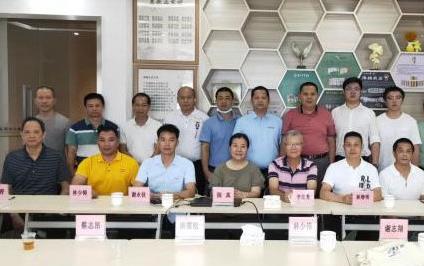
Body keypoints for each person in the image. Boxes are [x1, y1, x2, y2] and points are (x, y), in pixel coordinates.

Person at [1, 117, 70, 232]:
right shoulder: (12, 158)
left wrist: (57, 211)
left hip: (49, 212)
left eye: (36, 132)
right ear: (22, 135)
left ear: (44, 135)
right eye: (27, 132)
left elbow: (66, 188)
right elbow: (5, 190)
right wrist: (14, 215)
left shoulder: (56, 157)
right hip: (19, 212)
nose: (31, 136)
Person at [282, 82, 335, 192]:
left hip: (322, 162)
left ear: (317, 95)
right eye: (305, 94)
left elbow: (331, 140)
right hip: (298, 162)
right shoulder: (290, 115)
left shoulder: (326, 114)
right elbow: (284, 141)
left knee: (321, 196)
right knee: (300, 195)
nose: (309, 97)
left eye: (312, 94)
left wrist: (331, 164)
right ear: (300, 96)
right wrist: (283, 164)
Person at [71, 124, 139, 196]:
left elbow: (138, 190)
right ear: (97, 142)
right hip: (93, 205)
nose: (106, 144)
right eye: (102, 140)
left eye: (111, 140)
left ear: (118, 142)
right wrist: (88, 193)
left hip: (121, 205)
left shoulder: (131, 163)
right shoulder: (87, 162)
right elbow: (75, 187)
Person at [164, 86, 208, 195]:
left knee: (195, 196)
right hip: (173, 164)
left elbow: (207, 145)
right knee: (174, 194)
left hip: (196, 165)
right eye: (182, 98)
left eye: (189, 97)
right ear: (177, 100)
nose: (185, 101)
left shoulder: (204, 118)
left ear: (195, 99)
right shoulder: (169, 118)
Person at [133, 124, 196, 200]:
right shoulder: (147, 163)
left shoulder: (187, 164)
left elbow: (191, 191)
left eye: (171, 140)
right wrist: (152, 195)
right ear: (158, 142)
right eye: (163, 140)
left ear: (177, 143)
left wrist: (170, 196)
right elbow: (136, 188)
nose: (167, 144)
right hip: (152, 207)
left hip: (178, 206)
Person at [233, 86, 282, 179]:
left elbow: (282, 146)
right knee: (249, 194)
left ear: (268, 100)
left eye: (263, 98)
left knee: (272, 193)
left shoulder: (278, 121)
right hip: (247, 171)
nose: (260, 100)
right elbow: (235, 146)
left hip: (273, 171)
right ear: (251, 100)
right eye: (256, 98)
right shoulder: (242, 121)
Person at [320, 131, 382, 204]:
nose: (352, 148)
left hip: (365, 211)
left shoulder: (371, 169)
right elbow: (323, 192)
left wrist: (356, 198)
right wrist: (343, 199)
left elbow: (378, 194)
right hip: (340, 211)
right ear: (343, 147)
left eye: (356, 145)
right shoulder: (333, 167)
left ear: (362, 147)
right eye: (348, 145)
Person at [66, 93, 119, 175]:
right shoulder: (75, 129)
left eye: (97, 106)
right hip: (82, 172)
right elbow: (71, 153)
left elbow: (118, 151)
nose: (94, 108)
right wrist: (73, 174)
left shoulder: (114, 127)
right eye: (90, 106)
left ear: (103, 107)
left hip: (109, 173)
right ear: (85, 107)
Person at [331, 77, 380, 166]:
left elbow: (374, 139)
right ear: (343, 92)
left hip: (363, 159)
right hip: (340, 159)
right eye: (349, 89)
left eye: (356, 89)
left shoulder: (369, 113)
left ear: (361, 92)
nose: (353, 92)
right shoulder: (335, 112)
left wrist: (375, 163)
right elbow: (331, 139)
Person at [200, 87, 239, 192]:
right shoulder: (209, 123)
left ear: (233, 101)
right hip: (214, 169)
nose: (224, 101)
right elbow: (205, 148)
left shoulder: (240, 121)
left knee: (235, 202)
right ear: (216, 101)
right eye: (220, 98)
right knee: (212, 203)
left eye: (227, 98)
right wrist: (206, 171)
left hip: (237, 168)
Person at [377, 86, 421, 171]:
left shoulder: (411, 121)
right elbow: (374, 146)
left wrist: (415, 170)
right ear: (385, 101)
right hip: (383, 169)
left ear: (402, 100)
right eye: (390, 98)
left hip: (406, 170)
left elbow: (415, 147)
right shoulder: (377, 121)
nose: (394, 101)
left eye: (398, 98)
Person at [209, 133, 264, 199]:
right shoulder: (220, 169)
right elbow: (213, 193)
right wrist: (230, 195)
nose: (239, 150)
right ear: (230, 148)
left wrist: (243, 195)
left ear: (247, 149)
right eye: (235, 146)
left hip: (247, 207)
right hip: (224, 207)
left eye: (243, 146)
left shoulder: (254, 169)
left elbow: (256, 193)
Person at [269, 130, 317, 202]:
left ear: (302, 146)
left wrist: (292, 198)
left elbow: (311, 192)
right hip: (281, 208)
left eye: (297, 144)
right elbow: (273, 190)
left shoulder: (311, 166)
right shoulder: (275, 164)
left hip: (303, 208)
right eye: (289, 144)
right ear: (285, 146)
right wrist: (285, 197)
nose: (293, 148)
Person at [120, 93, 161, 164]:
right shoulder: (125, 126)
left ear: (149, 107)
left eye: (144, 105)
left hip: (152, 165)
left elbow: (158, 149)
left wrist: (147, 164)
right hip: (131, 165)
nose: (140, 108)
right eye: (137, 105)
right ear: (133, 106)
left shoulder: (158, 126)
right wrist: (134, 163)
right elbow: (122, 149)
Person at [34, 85, 71, 155]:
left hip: (57, 164)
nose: (44, 101)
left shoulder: (65, 122)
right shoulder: (30, 123)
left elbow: (69, 150)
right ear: (35, 101)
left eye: (48, 98)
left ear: (54, 101)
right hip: (33, 164)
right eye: (40, 98)